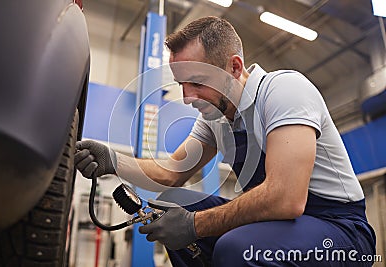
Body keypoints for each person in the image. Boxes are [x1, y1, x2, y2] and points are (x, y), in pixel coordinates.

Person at [75, 16, 376, 266]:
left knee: (236, 248)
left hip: (342, 231)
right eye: (182, 84)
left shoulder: (285, 90)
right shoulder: (215, 117)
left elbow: (286, 198)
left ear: (234, 67)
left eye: (197, 81)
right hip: (283, 223)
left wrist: (194, 226)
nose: (187, 97)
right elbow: (170, 173)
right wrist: (113, 160)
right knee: (171, 204)